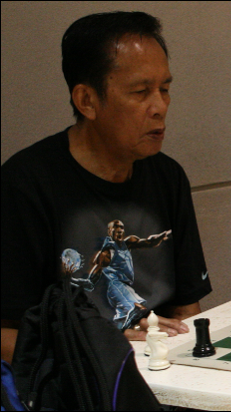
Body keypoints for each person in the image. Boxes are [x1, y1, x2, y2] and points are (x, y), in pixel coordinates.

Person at [1, 11, 212, 364]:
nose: (160, 107)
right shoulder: (24, 186)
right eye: (141, 92)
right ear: (87, 101)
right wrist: (98, 345)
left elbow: (188, 309)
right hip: (76, 385)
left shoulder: (167, 176)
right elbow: (5, 336)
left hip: (162, 373)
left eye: (165, 89)